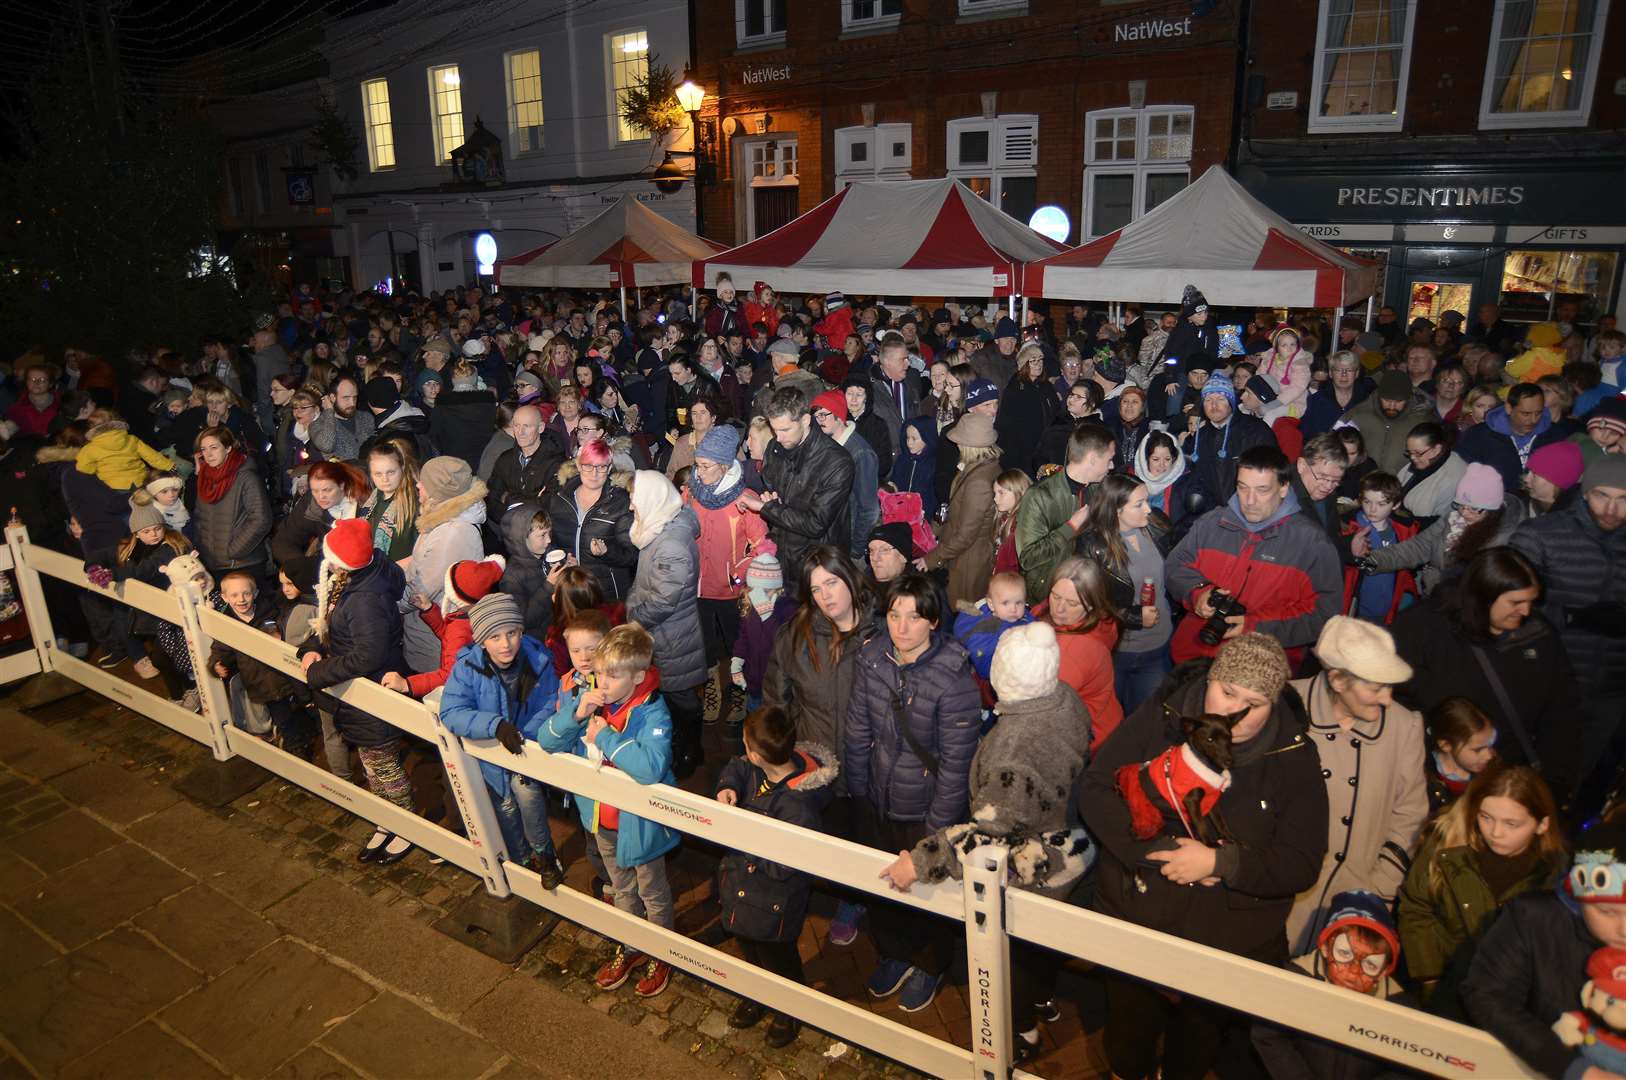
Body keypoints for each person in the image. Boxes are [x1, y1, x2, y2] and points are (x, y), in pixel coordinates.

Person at [1079, 632, 1327, 1080]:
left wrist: (1222, 863)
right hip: (1138, 920)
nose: (1234, 710)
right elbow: (1097, 787)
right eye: (1227, 691)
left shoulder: (1293, 756)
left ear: (1274, 703)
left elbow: (1301, 859)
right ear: (1213, 676)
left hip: (1225, 942)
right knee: (1127, 1041)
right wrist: (1153, 851)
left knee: (1193, 1054)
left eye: (1254, 701)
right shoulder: (1164, 715)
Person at [879, 622, 1094, 1061]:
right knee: (1042, 950)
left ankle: (1020, 1031)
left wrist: (919, 863)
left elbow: (989, 834)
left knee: (1013, 959)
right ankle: (1040, 999)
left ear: (1002, 675)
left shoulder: (1013, 746)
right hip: (1072, 849)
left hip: (1036, 868)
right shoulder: (1063, 698)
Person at [845, 573, 980, 1014]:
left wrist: (935, 834)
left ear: (934, 622)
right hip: (880, 796)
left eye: (914, 618)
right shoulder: (872, 659)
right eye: (893, 614)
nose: (901, 628)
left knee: (929, 890)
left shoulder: (954, 677)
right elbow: (858, 728)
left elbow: (956, 767)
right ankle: (895, 953)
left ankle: (930, 962)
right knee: (885, 883)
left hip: (925, 806)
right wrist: (858, 792)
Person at [538, 623, 680, 999]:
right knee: (621, 886)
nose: (600, 681)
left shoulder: (653, 713)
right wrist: (576, 714)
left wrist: (604, 736)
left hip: (641, 824)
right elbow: (546, 741)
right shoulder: (592, 698)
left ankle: (661, 950)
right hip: (601, 818)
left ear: (637, 675)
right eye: (598, 672)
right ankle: (631, 944)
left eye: (611, 675)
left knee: (652, 890)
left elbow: (650, 767)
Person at [1390, 547, 1584, 807]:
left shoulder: (1538, 634)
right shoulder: (1424, 629)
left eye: (1531, 601)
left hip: (1509, 779)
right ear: (1484, 597)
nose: (1526, 611)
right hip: (1441, 782)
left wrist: (1555, 779)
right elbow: (1396, 689)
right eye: (1516, 603)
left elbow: (1563, 709)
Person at [1285, 617, 1428, 954]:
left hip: (1353, 909)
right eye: (1376, 687)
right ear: (1337, 679)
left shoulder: (1404, 727)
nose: (1387, 699)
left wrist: (1376, 889)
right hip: (1281, 900)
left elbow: (1410, 815)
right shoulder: (1286, 705)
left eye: (1390, 686)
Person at [1459, 820, 1626, 1080]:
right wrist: (1574, 1069)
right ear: (1577, 895)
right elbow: (1488, 995)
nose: (1624, 929)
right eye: (1607, 912)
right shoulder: (1533, 918)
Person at [1398, 764, 1565, 1017]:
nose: (1496, 832)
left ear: (1541, 825)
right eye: (1486, 817)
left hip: (1505, 1008)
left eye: (1512, 824)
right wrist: (1430, 979)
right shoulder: (1448, 846)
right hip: (1437, 993)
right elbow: (1416, 908)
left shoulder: (1556, 877)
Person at [714, 705, 837, 1048]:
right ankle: (757, 994)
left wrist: (742, 840)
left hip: (774, 903)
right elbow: (735, 767)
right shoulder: (759, 770)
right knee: (749, 949)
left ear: (757, 754)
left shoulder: (797, 807)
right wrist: (728, 786)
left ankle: (788, 1009)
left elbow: (787, 865)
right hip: (743, 890)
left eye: (745, 747)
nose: (743, 755)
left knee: (779, 958)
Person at [298, 518, 417, 866]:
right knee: (371, 761)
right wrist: (311, 646)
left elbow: (369, 654)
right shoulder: (353, 580)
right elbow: (332, 625)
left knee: (383, 762)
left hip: (373, 693)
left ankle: (407, 824)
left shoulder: (365, 599)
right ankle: (387, 818)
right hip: (356, 693)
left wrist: (319, 673)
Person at [1510, 456, 1626, 814]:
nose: (1611, 509)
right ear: (1584, 492)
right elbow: (1503, 606)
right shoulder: (1541, 535)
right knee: (1523, 782)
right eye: (1601, 495)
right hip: (1548, 682)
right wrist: (1573, 617)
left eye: (1624, 499)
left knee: (1571, 790)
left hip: (1611, 690)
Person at [1166, 445, 1343, 663]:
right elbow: (1175, 566)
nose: (1249, 501)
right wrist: (1198, 593)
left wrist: (1255, 627)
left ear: (1284, 488)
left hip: (1259, 672)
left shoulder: (1312, 543)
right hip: (1193, 658)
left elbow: (1324, 615)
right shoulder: (1211, 523)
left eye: (1262, 490)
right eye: (1242, 487)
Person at [438, 592, 566, 888]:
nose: (505, 643)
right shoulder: (468, 669)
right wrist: (494, 725)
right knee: (505, 807)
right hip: (492, 754)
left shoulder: (539, 661)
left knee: (528, 797)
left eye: (511, 633)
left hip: (522, 750)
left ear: (521, 632)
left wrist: (526, 734)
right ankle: (520, 859)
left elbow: (550, 700)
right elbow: (452, 710)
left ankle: (543, 854)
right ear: (482, 641)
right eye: (495, 636)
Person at [684, 424, 767, 730]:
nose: (699, 471)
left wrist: (738, 575)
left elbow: (762, 546)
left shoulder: (744, 498)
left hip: (731, 592)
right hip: (699, 589)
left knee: (736, 647)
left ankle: (738, 696)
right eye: (698, 464)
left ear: (723, 465)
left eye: (705, 466)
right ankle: (711, 694)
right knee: (705, 646)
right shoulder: (691, 492)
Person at [626, 471, 706, 778]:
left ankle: (691, 750)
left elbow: (663, 601)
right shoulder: (662, 524)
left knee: (680, 695)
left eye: (634, 500)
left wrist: (634, 620)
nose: (631, 507)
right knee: (673, 693)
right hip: (663, 631)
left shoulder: (671, 544)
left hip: (671, 634)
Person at [1080, 473, 1173, 715]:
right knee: (1113, 721)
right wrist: (1132, 616)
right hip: (1118, 651)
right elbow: (1088, 600)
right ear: (1117, 509)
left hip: (1158, 647)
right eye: (1139, 504)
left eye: (1147, 501)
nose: (1149, 510)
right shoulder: (1093, 545)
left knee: (1145, 722)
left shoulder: (1157, 526)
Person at [743, 387, 855, 575]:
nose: (779, 437)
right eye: (774, 430)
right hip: (780, 553)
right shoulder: (775, 447)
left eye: (785, 429)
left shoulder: (837, 462)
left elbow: (815, 524)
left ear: (805, 420)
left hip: (817, 563)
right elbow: (771, 489)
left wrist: (767, 507)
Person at [401, 456, 487, 672]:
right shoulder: (445, 520)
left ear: (439, 493)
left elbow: (420, 591)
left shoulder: (451, 534)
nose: (418, 485)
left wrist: (383, 603)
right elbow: (422, 559)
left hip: (433, 641)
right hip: (430, 633)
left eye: (424, 482)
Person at [1015, 423, 1115, 603]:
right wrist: (1071, 527)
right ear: (1092, 459)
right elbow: (1028, 558)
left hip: (1083, 592)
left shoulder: (1098, 490)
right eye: (1109, 459)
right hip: (1047, 598)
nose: (1112, 465)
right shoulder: (1040, 496)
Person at [920, 412, 998, 607]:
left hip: (968, 563)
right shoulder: (979, 467)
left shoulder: (979, 482)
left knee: (964, 615)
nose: (957, 445)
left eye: (960, 441)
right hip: (961, 555)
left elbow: (966, 534)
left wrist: (933, 559)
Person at [547, 437, 637, 600]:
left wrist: (606, 551)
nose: (594, 474)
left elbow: (631, 556)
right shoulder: (559, 499)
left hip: (607, 593)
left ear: (609, 468)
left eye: (601, 467)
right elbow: (551, 543)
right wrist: (563, 562)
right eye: (588, 466)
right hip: (572, 590)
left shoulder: (621, 502)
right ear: (579, 465)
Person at [1180, 372, 1277, 513]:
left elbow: (1272, 473)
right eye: (1208, 400)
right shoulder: (1200, 437)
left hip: (1251, 511)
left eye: (1220, 399)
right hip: (1214, 515)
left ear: (1231, 402)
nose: (1213, 405)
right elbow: (1196, 477)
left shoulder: (1255, 430)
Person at [1457, 382, 1569, 496]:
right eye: (1526, 414)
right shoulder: (1478, 435)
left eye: (1538, 413)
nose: (1533, 420)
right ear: (1509, 408)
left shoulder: (1556, 435)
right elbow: (1461, 474)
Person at [192, 426, 272, 576]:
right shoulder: (204, 477)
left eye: (214, 448)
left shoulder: (246, 477)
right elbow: (199, 517)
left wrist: (234, 551)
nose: (208, 454)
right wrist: (202, 549)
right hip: (212, 563)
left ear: (228, 448)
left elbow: (261, 519)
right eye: (204, 449)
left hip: (243, 563)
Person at [1341, 470, 1420, 624]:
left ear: (1396, 504)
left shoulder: (1403, 531)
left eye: (1381, 504)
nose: (1372, 509)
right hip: (1356, 608)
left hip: (1388, 607)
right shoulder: (1349, 529)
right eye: (1367, 502)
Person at [810, 389, 880, 558]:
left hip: (846, 542)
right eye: (816, 416)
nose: (819, 420)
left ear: (839, 415)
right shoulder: (826, 444)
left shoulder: (860, 453)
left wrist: (855, 548)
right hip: (829, 536)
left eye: (824, 415)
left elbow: (869, 510)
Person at [271, 459, 367, 566]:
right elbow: (283, 541)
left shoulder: (367, 500)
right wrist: (304, 567)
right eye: (314, 490)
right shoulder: (312, 501)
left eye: (327, 490)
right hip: (328, 567)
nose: (320, 497)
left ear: (342, 485)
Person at [486, 404, 565, 524]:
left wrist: (508, 498)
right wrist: (512, 523)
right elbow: (492, 501)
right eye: (516, 425)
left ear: (541, 428)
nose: (520, 432)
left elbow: (549, 505)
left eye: (526, 426)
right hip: (508, 533)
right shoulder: (505, 459)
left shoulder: (557, 464)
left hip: (542, 536)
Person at [1424, 697, 1499, 812]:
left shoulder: (1495, 771)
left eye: (1490, 743)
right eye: (1478, 750)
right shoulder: (1423, 780)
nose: (1489, 755)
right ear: (1446, 745)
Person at [996, 343, 1058, 475]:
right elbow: (1006, 427)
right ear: (1024, 364)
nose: (1038, 364)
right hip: (1023, 454)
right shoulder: (1015, 389)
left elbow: (1056, 414)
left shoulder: (1046, 386)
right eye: (1033, 360)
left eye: (1040, 359)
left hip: (1046, 451)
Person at [75, 411, 173, 491]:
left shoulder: (89, 449)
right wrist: (168, 465)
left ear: (91, 428)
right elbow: (152, 456)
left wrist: (98, 470)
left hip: (111, 487)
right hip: (140, 482)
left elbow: (83, 468)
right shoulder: (131, 439)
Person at [1396, 421, 1468, 526]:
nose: (1412, 458)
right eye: (1409, 452)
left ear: (1437, 449)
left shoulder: (1452, 476)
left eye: (1418, 453)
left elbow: (1425, 522)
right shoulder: (1423, 462)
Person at [360, 438, 419, 564]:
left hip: (403, 576)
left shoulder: (415, 502)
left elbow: (423, 551)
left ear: (402, 467)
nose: (385, 479)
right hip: (372, 571)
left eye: (391, 472)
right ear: (370, 474)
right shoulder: (373, 500)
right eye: (378, 474)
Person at [1299, 350, 1372, 438]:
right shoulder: (1315, 401)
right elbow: (1306, 437)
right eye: (1338, 370)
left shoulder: (1368, 402)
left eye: (1349, 370)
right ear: (1330, 373)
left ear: (1356, 373)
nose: (1344, 375)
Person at [1524, 440, 1586, 517]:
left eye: (1534, 475)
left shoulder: (1569, 522)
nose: (1526, 479)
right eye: (1528, 471)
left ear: (1558, 482)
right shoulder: (1522, 506)